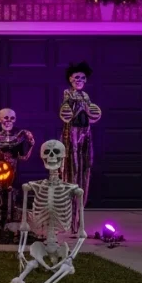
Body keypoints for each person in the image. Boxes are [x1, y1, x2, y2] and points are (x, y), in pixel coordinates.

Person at [59, 61, 101, 229]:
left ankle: (79, 218)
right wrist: (81, 107)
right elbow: (67, 114)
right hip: (72, 136)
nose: (80, 80)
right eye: (76, 77)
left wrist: (87, 108)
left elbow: (91, 114)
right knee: (72, 170)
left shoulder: (85, 96)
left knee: (84, 171)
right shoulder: (68, 94)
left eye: (83, 78)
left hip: (85, 135)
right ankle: (70, 219)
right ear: (70, 79)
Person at [0, 108, 35, 229]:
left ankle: (7, 221)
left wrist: (31, 144)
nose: (8, 121)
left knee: (10, 195)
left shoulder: (19, 135)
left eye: (12, 118)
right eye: (5, 118)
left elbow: (23, 157)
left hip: (12, 172)